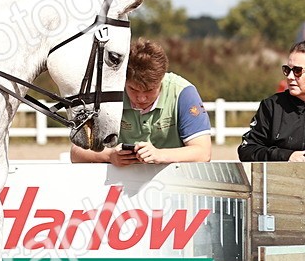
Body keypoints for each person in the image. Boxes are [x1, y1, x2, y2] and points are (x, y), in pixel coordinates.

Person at [70, 39, 212, 166]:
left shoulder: (183, 93)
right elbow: (76, 152)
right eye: (133, 89)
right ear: (123, 80)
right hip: (121, 185)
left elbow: (203, 152)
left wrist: (160, 155)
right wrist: (109, 155)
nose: (141, 98)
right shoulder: (108, 93)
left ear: (161, 79)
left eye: (150, 90)